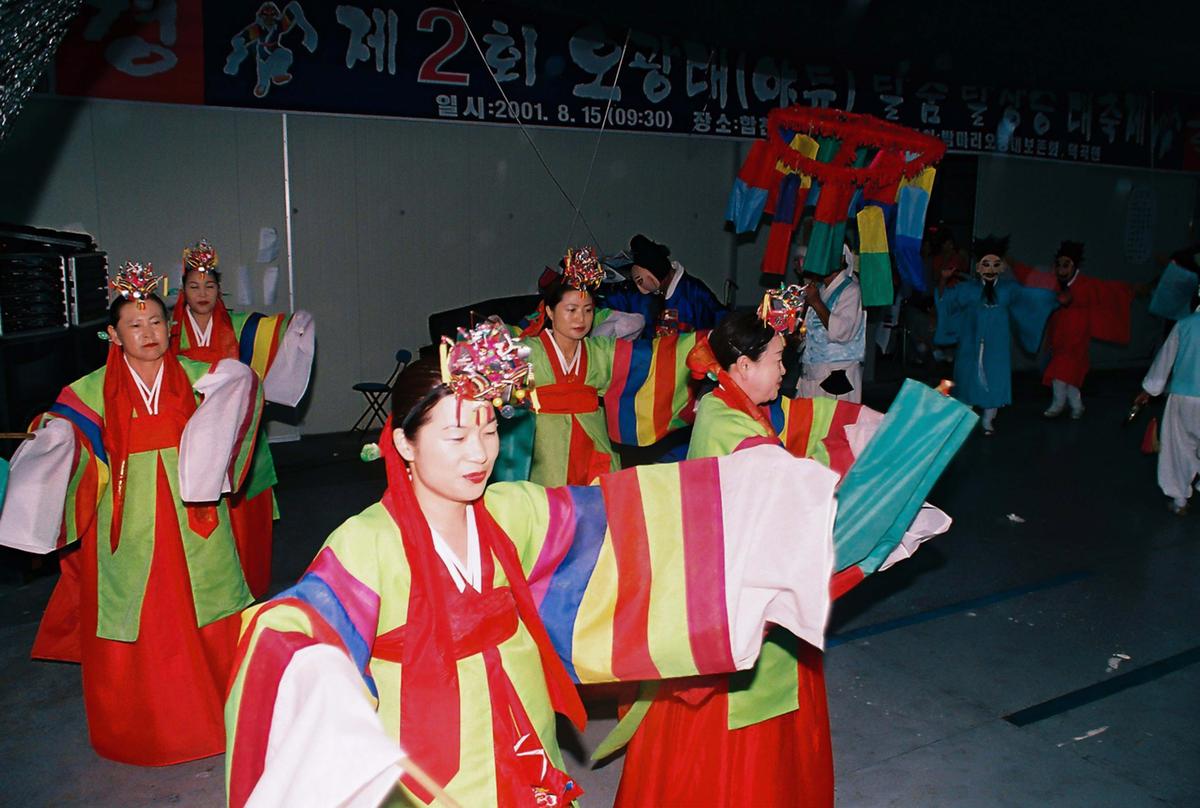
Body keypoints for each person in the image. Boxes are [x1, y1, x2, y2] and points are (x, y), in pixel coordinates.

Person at [223, 323, 859, 807]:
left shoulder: (511, 512)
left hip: (524, 730)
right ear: (403, 444)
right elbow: (300, 624)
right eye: (455, 435)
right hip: (432, 761)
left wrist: (769, 508)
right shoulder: (368, 542)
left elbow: (627, 520)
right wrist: (315, 670)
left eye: (489, 429)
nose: (479, 453)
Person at [612, 306, 973, 808]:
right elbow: (795, 495)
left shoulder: (726, 407)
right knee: (743, 727)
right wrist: (901, 458)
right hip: (741, 602)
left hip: (725, 587)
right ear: (743, 366)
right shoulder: (734, 429)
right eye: (778, 359)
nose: (785, 370)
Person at [0, 262, 263, 765]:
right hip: (126, 522)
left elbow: (242, 393)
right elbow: (69, 433)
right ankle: (146, 729)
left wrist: (239, 381)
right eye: (135, 326)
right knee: (136, 617)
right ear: (113, 335)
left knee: (205, 605)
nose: (149, 333)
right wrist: (56, 436)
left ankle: (220, 715)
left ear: (171, 327)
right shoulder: (91, 390)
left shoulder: (197, 376)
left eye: (158, 323)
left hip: (193, 516)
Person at [169, 239, 315, 597]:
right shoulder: (169, 333)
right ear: (182, 291)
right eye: (193, 286)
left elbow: (276, 335)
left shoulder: (240, 326)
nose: (202, 293)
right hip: (192, 435)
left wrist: (296, 330)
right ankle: (207, 594)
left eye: (209, 285)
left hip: (239, 436)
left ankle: (249, 591)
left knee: (245, 521)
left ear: (220, 289)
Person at [518, 247, 698, 486]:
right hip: (545, 450)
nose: (580, 319)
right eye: (571, 310)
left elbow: (651, 359)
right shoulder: (529, 351)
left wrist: (704, 346)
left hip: (594, 447)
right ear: (550, 311)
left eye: (588, 310)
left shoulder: (599, 351)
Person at [934, 235, 1059, 435]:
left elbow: (1031, 298)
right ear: (978, 268)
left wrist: (1052, 297)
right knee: (967, 379)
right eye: (986, 264)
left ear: (1001, 267)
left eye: (995, 264)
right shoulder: (968, 289)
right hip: (970, 344)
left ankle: (988, 420)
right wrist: (943, 279)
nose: (990, 269)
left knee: (994, 379)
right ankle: (964, 421)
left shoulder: (1009, 290)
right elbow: (946, 300)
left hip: (996, 346)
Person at [1009, 241, 1137, 419]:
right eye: (1059, 264)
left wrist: (1134, 289)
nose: (1062, 269)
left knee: (1060, 374)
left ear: (1074, 266)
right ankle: (1077, 406)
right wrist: (1012, 263)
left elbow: (1111, 291)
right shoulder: (1054, 282)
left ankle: (1058, 405)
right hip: (1058, 340)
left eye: (1066, 264)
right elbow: (1032, 276)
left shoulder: (1086, 285)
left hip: (1076, 342)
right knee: (1068, 378)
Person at [1134, 298, 1200, 515]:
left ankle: (1179, 500)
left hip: (1182, 397)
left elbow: (1165, 359)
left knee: (1179, 447)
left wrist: (1150, 389)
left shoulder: (1185, 324)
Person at [602, 233, 728, 335]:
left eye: (641, 281)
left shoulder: (694, 292)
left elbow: (722, 321)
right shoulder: (642, 295)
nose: (641, 288)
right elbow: (618, 302)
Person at [798, 243, 867, 402]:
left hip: (837, 374)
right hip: (813, 371)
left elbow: (842, 333)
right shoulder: (820, 289)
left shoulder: (851, 290)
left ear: (841, 259)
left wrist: (816, 302)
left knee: (834, 423)